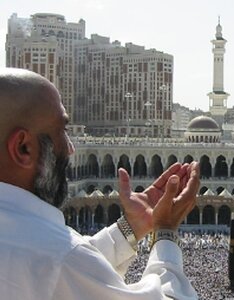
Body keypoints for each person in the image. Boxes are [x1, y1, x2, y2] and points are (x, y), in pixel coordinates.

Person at [0, 68, 200, 299]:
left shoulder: (54, 257)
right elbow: (62, 265)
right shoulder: (60, 258)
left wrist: (131, 227)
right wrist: (165, 232)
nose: (71, 148)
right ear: (23, 147)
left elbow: (60, 274)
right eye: (62, 132)